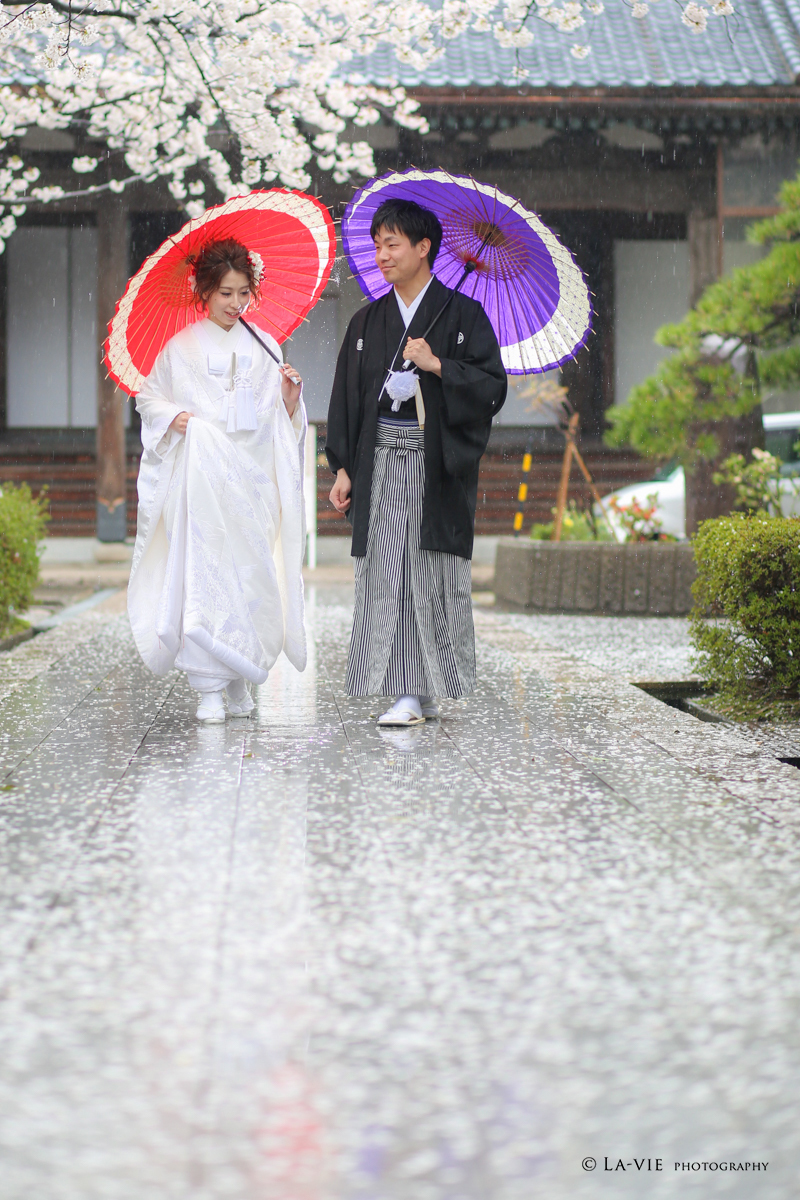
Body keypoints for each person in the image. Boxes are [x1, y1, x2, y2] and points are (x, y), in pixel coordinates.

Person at [326, 198, 507, 726]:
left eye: (393, 244)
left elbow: (492, 387)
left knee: (430, 572)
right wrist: (342, 467)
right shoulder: (366, 321)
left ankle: (421, 687)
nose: (382, 255)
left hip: (434, 466)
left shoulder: (464, 315)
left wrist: (438, 365)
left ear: (423, 248)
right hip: (379, 462)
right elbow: (347, 399)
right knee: (387, 572)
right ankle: (405, 686)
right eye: (378, 245)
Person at [128, 237, 307, 723]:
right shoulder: (180, 347)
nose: (235, 303)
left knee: (253, 574)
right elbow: (149, 399)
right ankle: (210, 684)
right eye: (225, 293)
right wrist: (177, 417)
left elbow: (279, 421)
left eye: (244, 292)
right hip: (203, 479)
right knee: (207, 573)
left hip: (253, 479)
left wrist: (290, 400)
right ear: (204, 292)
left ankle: (244, 676)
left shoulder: (266, 345)